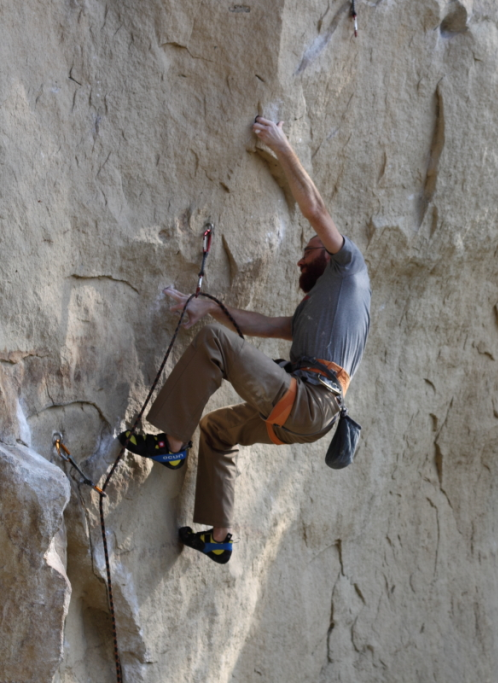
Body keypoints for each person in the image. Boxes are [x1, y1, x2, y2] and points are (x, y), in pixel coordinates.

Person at [118, 116, 371, 564]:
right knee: (218, 430)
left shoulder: (348, 266)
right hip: (307, 416)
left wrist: (280, 145)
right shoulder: (322, 309)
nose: (299, 260)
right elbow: (268, 326)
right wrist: (207, 306)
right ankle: (219, 538)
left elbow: (315, 208)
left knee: (214, 344)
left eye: (308, 252)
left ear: (328, 255)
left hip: (308, 400)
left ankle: (171, 447)